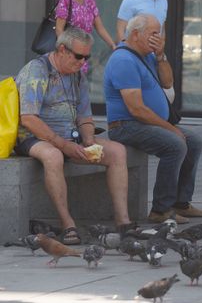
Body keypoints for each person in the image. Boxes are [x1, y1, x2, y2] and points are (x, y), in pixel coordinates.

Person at [14, 28, 131, 244]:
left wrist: (88, 140)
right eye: (79, 56)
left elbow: (85, 116)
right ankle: (68, 224)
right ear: (62, 50)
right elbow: (28, 118)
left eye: (87, 57)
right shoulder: (38, 70)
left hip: (69, 137)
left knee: (117, 151)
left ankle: (123, 222)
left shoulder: (78, 75)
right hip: (33, 136)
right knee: (53, 156)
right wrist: (62, 145)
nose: (82, 62)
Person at [104, 14, 202, 224]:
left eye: (159, 33)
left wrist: (161, 56)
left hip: (145, 123)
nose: (158, 38)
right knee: (175, 144)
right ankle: (161, 209)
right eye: (153, 33)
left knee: (194, 141)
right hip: (126, 125)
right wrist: (170, 129)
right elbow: (136, 109)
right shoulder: (123, 60)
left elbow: (168, 82)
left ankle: (181, 202)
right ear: (135, 34)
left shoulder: (148, 55)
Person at [55, 0, 116, 71]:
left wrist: (113, 45)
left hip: (83, 54)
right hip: (69, 54)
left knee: (80, 84)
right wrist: (65, 50)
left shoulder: (90, 1)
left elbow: (100, 27)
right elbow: (59, 29)